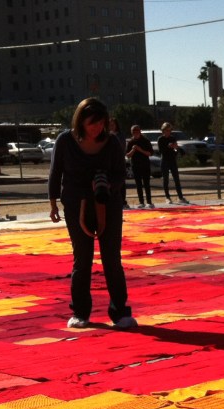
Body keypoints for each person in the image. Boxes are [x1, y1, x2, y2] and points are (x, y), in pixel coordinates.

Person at [48, 97, 136, 331]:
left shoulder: (112, 142)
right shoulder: (66, 141)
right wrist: (53, 202)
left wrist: (107, 185)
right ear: (80, 121)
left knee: (111, 258)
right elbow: (55, 172)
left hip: (108, 205)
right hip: (76, 205)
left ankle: (120, 311)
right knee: (82, 258)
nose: (97, 127)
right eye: (91, 123)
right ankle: (80, 312)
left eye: (101, 123)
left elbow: (121, 174)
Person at [157, 122, 189, 204]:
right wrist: (168, 146)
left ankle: (180, 197)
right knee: (166, 179)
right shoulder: (160, 139)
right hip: (164, 161)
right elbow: (161, 151)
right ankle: (167, 197)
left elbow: (175, 151)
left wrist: (176, 148)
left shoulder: (173, 138)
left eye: (169, 130)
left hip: (172, 160)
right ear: (163, 131)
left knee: (176, 179)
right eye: (166, 130)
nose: (168, 131)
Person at [126, 125, 154, 209]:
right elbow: (128, 156)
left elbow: (150, 153)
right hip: (135, 165)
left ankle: (149, 202)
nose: (135, 132)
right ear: (131, 132)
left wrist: (140, 149)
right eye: (134, 131)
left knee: (147, 184)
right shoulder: (130, 142)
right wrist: (133, 150)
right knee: (138, 185)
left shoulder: (145, 141)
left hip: (145, 165)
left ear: (140, 131)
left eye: (137, 130)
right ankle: (141, 202)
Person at [108, 118, 129, 209]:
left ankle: (123, 201)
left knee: (121, 182)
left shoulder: (120, 135)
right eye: (110, 124)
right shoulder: (105, 135)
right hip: (109, 162)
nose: (111, 126)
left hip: (119, 161)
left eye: (113, 124)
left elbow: (122, 148)